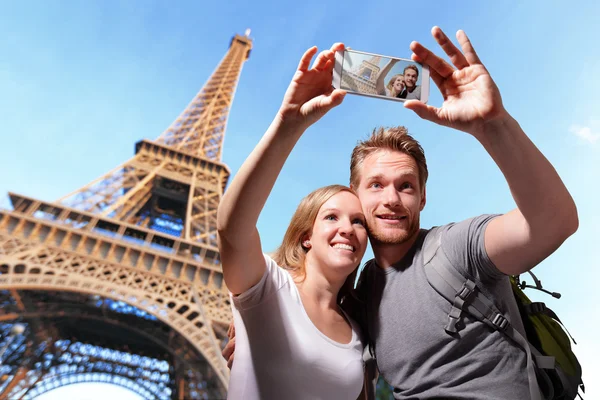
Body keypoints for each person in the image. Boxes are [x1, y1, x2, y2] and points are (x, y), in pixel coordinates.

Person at [223, 26, 578, 400]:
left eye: (405, 186)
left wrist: (495, 126)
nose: (391, 198)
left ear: (422, 198)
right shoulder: (361, 298)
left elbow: (554, 221)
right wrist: (253, 325)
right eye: (375, 185)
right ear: (356, 194)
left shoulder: (456, 247)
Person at [216, 43, 370, 400]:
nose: (347, 228)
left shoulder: (359, 333)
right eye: (331, 216)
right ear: (306, 237)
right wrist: (288, 125)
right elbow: (232, 228)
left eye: (359, 222)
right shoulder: (267, 288)